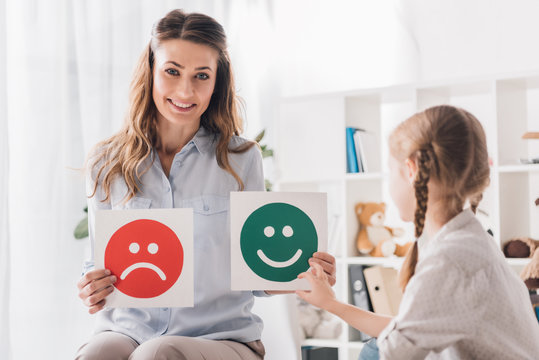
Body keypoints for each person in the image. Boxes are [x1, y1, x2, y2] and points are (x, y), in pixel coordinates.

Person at [75, 9, 336, 360]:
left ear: (217, 82)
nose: (186, 90)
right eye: (172, 71)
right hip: (128, 330)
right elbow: (97, 263)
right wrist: (92, 286)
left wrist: (301, 272)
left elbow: (255, 274)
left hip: (221, 338)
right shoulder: (106, 162)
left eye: (201, 75)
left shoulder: (242, 158)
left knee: (157, 354)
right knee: (99, 354)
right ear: (151, 71)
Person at [297, 105, 539, 359]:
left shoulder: (451, 258)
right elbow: (404, 331)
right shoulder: (469, 239)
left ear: (411, 170)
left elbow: (394, 352)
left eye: (392, 173)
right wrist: (331, 304)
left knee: (372, 352)